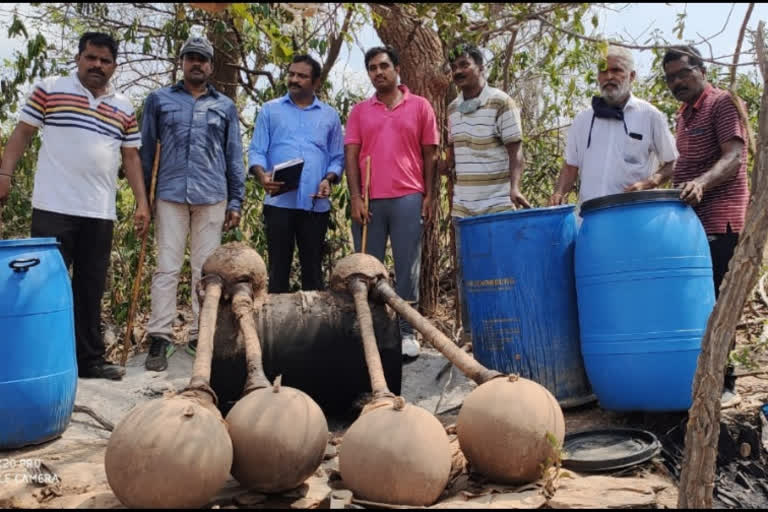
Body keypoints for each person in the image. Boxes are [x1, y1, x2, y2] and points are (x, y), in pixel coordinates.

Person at [0, 32, 150, 380]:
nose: (97, 65)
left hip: (99, 211)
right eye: (91, 57)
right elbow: (22, 133)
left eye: (105, 60)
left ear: (115, 65)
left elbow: (131, 157)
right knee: (44, 286)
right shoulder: (50, 88)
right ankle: (39, 360)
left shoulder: (124, 106)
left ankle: (89, 362)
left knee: (90, 287)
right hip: (53, 206)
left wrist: (142, 203)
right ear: (79, 58)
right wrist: (4, 173)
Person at [626, 45, 750, 406]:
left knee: (719, 303)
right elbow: (680, 167)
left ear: (702, 69)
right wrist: (650, 184)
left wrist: (702, 184)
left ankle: (726, 383)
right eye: (670, 78)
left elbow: (734, 156)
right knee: (699, 305)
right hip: (692, 225)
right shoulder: (684, 114)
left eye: (683, 73)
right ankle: (702, 378)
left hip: (722, 219)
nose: (677, 82)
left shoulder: (721, 102)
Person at [140, 36, 245, 372]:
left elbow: (233, 156)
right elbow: (144, 151)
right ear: (182, 62)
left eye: (203, 59)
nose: (196, 64)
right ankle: (160, 336)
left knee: (206, 269)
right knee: (166, 266)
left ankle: (204, 333)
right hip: (169, 192)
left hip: (213, 195)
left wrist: (237, 200)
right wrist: (142, 199)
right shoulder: (159, 100)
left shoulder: (225, 106)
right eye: (191, 58)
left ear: (211, 66)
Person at [344, 45, 439, 359]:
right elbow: (351, 156)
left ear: (397, 69)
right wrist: (356, 197)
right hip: (369, 200)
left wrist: (429, 196)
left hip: (408, 197)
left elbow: (430, 154)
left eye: (383, 65)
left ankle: (408, 332)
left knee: (406, 267)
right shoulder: (360, 110)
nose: (378, 72)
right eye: (372, 68)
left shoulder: (421, 106)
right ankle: (372, 331)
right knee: (368, 268)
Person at [438, 43, 529, 345]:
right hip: (464, 204)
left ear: (480, 67)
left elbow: (515, 150)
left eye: (464, 64)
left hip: (497, 201)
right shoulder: (452, 108)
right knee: (468, 273)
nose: (458, 71)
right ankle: (472, 335)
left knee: (502, 269)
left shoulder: (501, 102)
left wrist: (514, 188)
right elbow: (453, 154)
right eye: (454, 67)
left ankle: (509, 333)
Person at [248, 54, 344, 293]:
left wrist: (328, 179)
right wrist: (262, 176)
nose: (294, 79)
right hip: (279, 202)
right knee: (278, 269)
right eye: (291, 74)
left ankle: (314, 328)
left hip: (315, 204)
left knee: (313, 270)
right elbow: (257, 151)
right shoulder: (270, 111)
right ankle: (277, 327)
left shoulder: (329, 115)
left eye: (302, 76)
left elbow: (337, 157)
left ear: (316, 82)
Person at [549, 46, 678, 206]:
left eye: (616, 70)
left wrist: (649, 183)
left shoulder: (650, 115)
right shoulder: (583, 119)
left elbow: (673, 162)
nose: (609, 76)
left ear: (631, 76)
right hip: (590, 219)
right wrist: (559, 193)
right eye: (603, 71)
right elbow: (570, 166)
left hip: (633, 215)